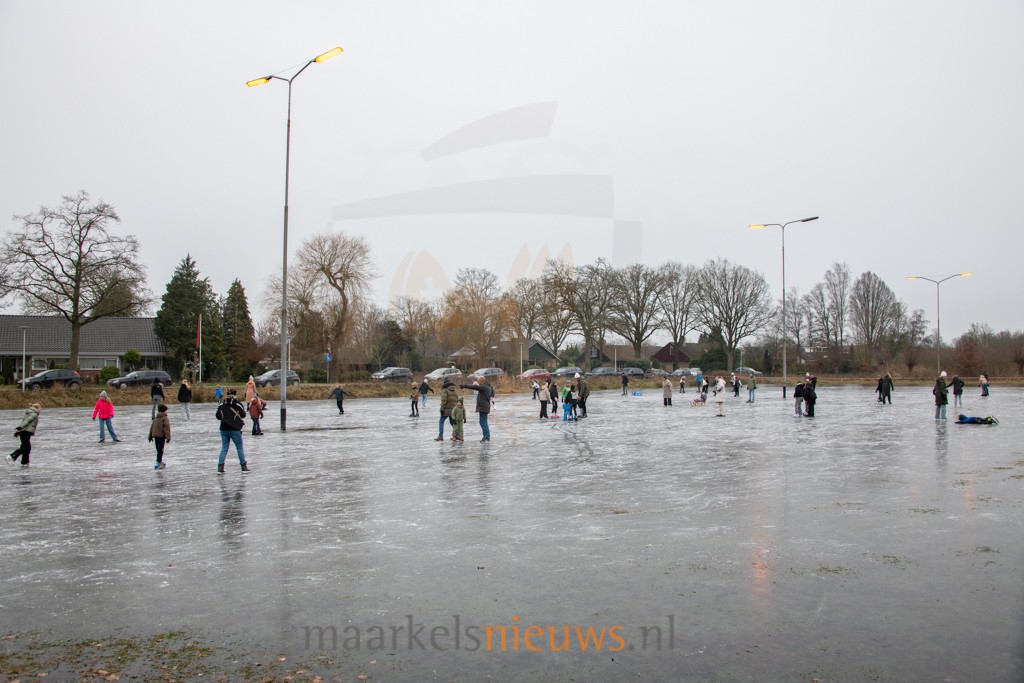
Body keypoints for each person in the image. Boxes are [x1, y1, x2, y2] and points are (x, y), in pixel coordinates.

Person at [215, 389, 249, 473]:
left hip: (224, 429)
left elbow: (218, 416)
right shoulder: (238, 404)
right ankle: (243, 466)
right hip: (235, 429)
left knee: (224, 448)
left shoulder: (222, 404)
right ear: (235, 394)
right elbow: (243, 415)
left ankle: (220, 466)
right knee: (239, 447)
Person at [6, 403, 41, 467]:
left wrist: (18, 431)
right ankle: (12, 456)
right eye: (40, 408)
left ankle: (25, 462)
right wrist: (20, 428)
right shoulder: (34, 414)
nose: (41, 410)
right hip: (25, 432)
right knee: (25, 447)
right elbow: (27, 421)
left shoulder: (30, 413)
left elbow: (25, 422)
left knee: (27, 447)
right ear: (37, 408)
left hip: (24, 432)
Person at [460, 377, 494, 441]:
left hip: (483, 407)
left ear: (481, 381)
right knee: (483, 422)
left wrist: (464, 386)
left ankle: (486, 437)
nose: (477, 383)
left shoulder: (484, 387)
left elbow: (475, 387)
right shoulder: (486, 387)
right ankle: (487, 436)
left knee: (483, 422)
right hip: (484, 407)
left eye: (478, 381)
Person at [148, 403, 171, 470]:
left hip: (156, 436)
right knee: (160, 450)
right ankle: (158, 463)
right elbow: (167, 428)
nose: (167, 412)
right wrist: (168, 437)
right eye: (166, 410)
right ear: (164, 411)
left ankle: (159, 461)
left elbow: (151, 428)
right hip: (161, 436)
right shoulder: (165, 418)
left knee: (158, 449)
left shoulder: (156, 418)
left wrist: (150, 436)